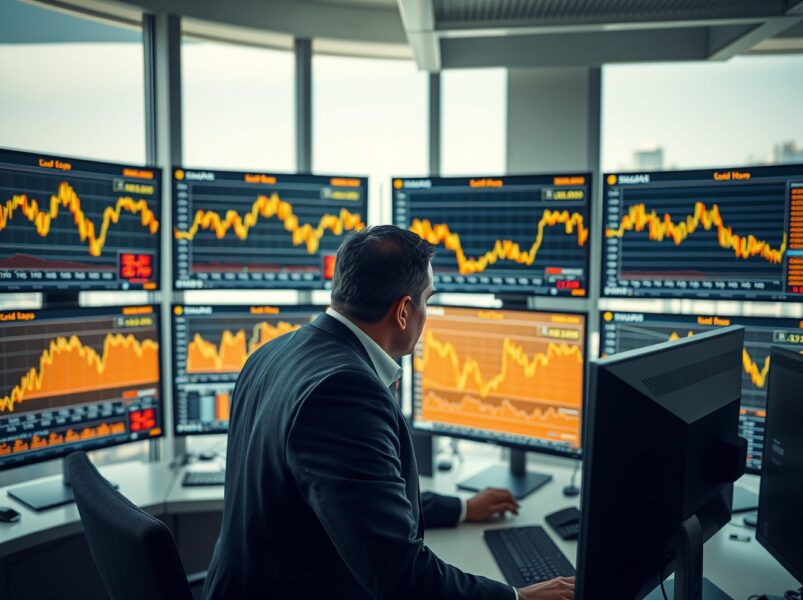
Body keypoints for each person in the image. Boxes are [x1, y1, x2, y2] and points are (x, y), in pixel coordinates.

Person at [204, 225, 575, 600]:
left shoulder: (272, 353)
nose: (425, 314)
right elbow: (402, 578)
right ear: (403, 311)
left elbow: (357, 493)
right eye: (426, 300)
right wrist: (517, 598)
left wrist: (461, 508)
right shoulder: (343, 391)